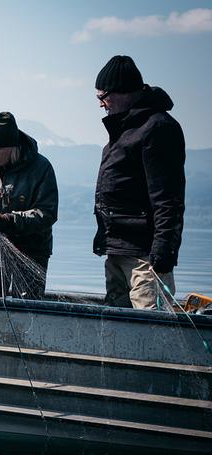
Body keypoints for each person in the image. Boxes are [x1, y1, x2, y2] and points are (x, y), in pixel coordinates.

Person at [93, 55, 185, 309]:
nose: (101, 104)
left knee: (150, 324)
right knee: (115, 321)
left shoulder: (158, 128)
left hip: (146, 256)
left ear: (123, 92)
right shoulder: (123, 130)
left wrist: (163, 253)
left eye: (103, 97)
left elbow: (168, 198)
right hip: (117, 248)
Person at [0, 112, 58, 299]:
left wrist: (9, 220)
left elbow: (47, 213)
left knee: (26, 308)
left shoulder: (41, 168)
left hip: (31, 250)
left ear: (12, 145)